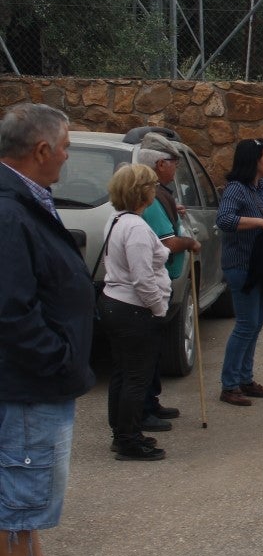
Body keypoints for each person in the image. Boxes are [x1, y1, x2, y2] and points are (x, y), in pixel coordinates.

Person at [0, 103, 101, 556]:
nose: (67, 156)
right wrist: (58, 360)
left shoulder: (22, 198)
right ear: (41, 150)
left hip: (35, 381)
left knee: (25, 487)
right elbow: (10, 312)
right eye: (65, 147)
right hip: (28, 384)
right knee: (15, 500)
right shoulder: (8, 210)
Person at [98, 164, 171, 460]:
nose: (155, 190)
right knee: (136, 377)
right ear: (143, 191)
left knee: (123, 372)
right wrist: (158, 308)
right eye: (152, 186)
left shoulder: (117, 219)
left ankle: (122, 433)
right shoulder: (137, 228)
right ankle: (129, 439)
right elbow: (142, 278)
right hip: (134, 309)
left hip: (116, 303)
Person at [136, 132, 200, 430]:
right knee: (143, 357)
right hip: (149, 292)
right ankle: (142, 411)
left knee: (151, 353)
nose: (176, 167)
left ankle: (151, 402)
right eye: (174, 162)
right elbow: (167, 242)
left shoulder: (160, 195)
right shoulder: (151, 199)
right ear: (160, 164)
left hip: (158, 284)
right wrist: (189, 243)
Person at [216, 139, 263, 406]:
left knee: (257, 321)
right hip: (240, 266)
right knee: (246, 324)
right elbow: (225, 220)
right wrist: (261, 222)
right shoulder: (235, 189)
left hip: (261, 266)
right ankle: (229, 384)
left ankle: (245, 378)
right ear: (255, 160)